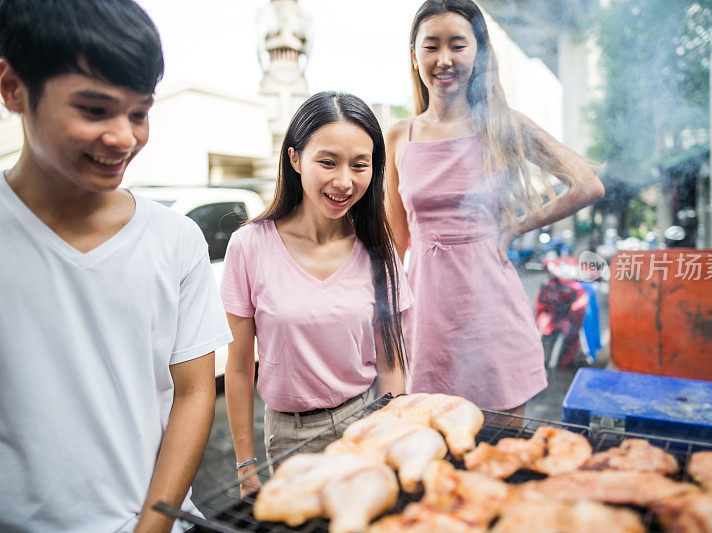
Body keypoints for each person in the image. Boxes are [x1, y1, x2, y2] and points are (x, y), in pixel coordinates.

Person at [0, 1, 232, 531]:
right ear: (13, 88)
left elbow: (195, 393)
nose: (124, 138)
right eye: (94, 109)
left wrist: (152, 526)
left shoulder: (174, 238)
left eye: (139, 113)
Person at [385, 0, 605, 411]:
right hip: (426, 315)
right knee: (433, 448)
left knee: (504, 449)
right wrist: (381, 320)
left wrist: (517, 226)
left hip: (491, 310)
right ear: (414, 56)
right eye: (431, 46)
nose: (444, 59)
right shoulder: (399, 135)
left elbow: (586, 184)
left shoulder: (504, 125)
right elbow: (395, 243)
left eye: (458, 45)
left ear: (479, 51)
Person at [221, 91, 411, 495]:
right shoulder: (249, 245)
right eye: (328, 162)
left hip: (367, 423)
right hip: (291, 438)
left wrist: (391, 437)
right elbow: (238, 368)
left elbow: (391, 362)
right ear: (295, 159)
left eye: (360, 165)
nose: (344, 181)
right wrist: (245, 467)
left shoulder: (379, 249)